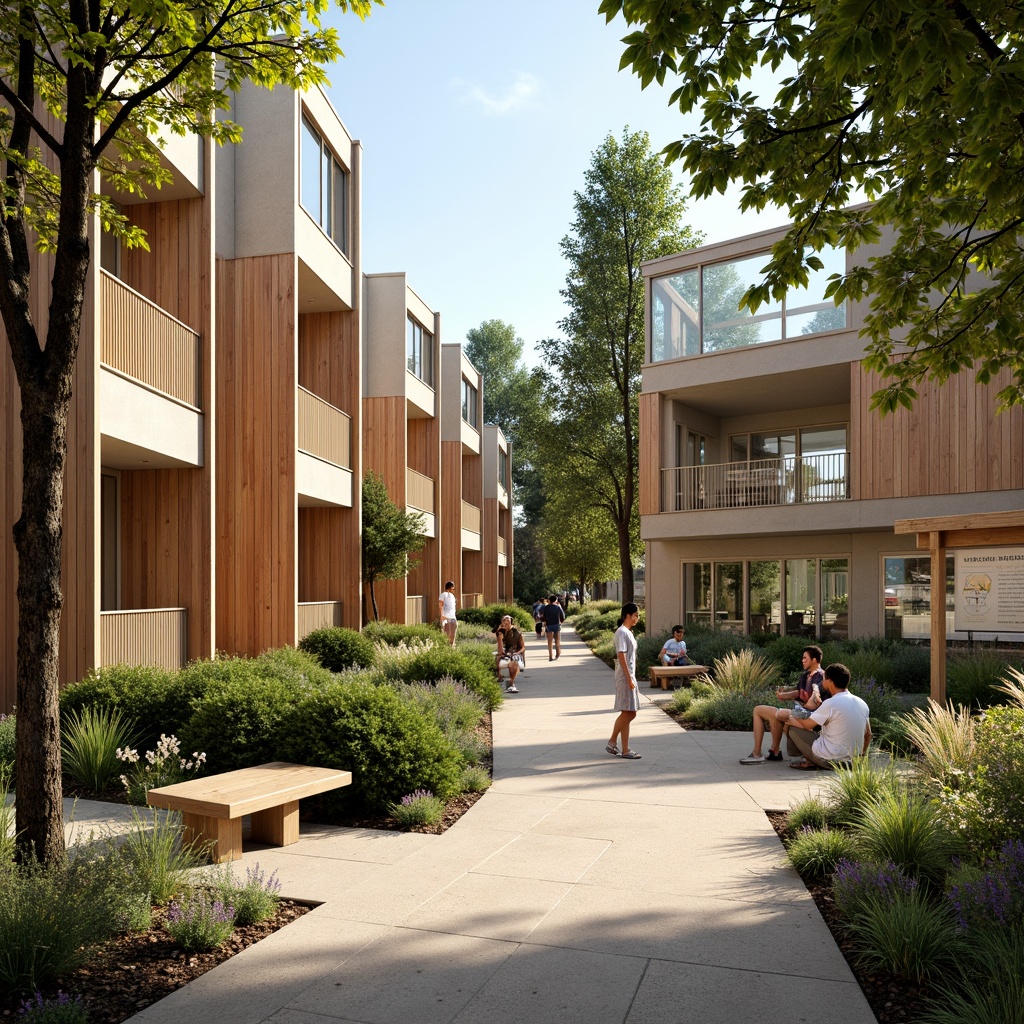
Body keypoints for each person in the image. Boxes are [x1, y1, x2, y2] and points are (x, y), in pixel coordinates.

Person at [740, 645, 826, 764]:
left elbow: (816, 700)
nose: (802, 660)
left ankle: (762, 753)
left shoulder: (822, 677)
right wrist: (784, 696)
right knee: (758, 710)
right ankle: (771, 752)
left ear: (815, 660)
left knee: (780, 714)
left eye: (805, 658)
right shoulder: (805, 676)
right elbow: (799, 692)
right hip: (801, 714)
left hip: (811, 720)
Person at [784, 662, 871, 770]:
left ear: (830, 682)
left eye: (824, 679)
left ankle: (803, 760)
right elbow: (868, 735)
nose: (822, 682)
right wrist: (860, 757)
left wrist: (796, 715)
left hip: (829, 760)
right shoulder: (862, 703)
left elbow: (807, 725)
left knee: (793, 727)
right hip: (851, 762)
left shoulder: (831, 703)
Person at [606, 602, 642, 759]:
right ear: (628, 615)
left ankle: (625, 749)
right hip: (625, 677)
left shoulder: (628, 632)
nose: (637, 618)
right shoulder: (622, 632)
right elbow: (621, 656)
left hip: (629, 676)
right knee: (630, 712)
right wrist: (629, 679)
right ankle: (612, 741)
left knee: (628, 712)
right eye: (636, 615)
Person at [495, 615, 526, 692]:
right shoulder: (500, 632)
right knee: (499, 659)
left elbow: (523, 647)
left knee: (512, 664)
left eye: (507, 620)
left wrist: (517, 653)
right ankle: (500, 678)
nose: (506, 622)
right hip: (504, 653)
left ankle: (511, 683)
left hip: (515, 653)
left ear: (511, 622)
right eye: (504, 620)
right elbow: (500, 647)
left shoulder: (517, 633)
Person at [541, 593, 565, 659]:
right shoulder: (558, 607)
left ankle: (550, 655)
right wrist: (561, 622)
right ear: (555, 600)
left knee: (549, 641)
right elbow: (562, 616)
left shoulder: (546, 608)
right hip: (556, 625)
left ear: (549, 600)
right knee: (557, 640)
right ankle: (557, 653)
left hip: (549, 625)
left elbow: (543, 617)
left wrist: (545, 622)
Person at [438, 581, 458, 647]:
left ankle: (452, 647)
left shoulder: (452, 596)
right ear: (449, 588)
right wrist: (442, 617)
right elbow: (440, 605)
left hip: (453, 617)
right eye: (453, 588)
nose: (453, 589)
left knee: (453, 633)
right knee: (447, 634)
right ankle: (446, 647)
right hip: (446, 617)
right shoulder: (444, 594)